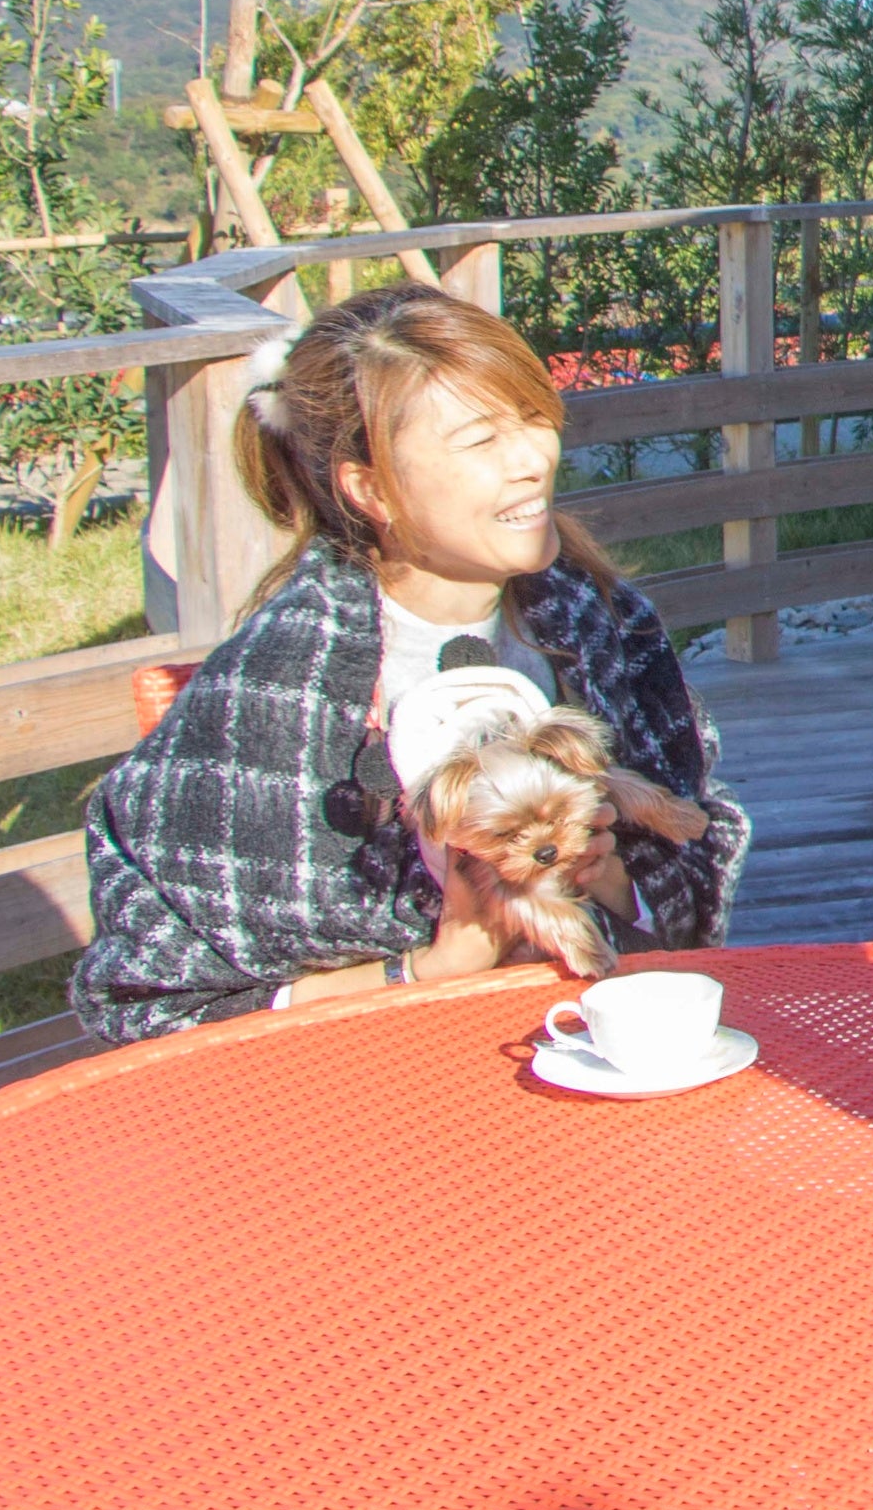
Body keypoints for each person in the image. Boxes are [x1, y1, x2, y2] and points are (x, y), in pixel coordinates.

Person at [72, 282, 748, 1041]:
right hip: (370, 1095)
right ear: (371, 490)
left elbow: (686, 876)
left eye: (533, 417)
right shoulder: (273, 698)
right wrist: (428, 968)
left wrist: (614, 882)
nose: (533, 458)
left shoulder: (600, 624)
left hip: (597, 1047)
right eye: (480, 440)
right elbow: (154, 1006)